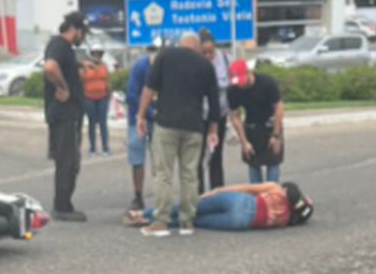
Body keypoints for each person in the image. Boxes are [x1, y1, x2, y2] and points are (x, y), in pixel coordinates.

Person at [136, 32, 220, 238]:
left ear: (181, 44)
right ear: (197, 47)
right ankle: (187, 222)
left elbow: (149, 88)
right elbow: (214, 102)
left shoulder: (165, 56)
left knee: (163, 174)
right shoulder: (206, 65)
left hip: (167, 124)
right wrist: (213, 130)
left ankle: (161, 222)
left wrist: (140, 116)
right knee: (189, 175)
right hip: (194, 127)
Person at [43, 12, 89, 222]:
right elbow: (50, 67)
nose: (84, 37)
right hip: (63, 115)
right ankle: (62, 206)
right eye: (84, 32)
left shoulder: (65, 49)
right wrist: (63, 87)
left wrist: (79, 66)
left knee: (71, 162)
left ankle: (65, 203)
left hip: (69, 115)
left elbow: (60, 65)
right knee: (66, 162)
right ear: (75, 29)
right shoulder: (58, 45)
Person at [123, 181, 313, 231]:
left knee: (188, 207)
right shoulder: (284, 220)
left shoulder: (275, 189)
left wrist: (218, 191)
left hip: (240, 201)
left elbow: (246, 188)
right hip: (241, 222)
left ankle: (143, 213)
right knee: (193, 220)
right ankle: (148, 220)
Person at [227, 59, 284, 184]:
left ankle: (272, 193)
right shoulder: (233, 90)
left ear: (248, 73)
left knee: (272, 161)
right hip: (251, 124)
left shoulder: (266, 82)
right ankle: (257, 196)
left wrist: (276, 134)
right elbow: (234, 116)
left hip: (270, 122)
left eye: (241, 81)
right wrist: (244, 141)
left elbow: (278, 107)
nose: (240, 85)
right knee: (253, 161)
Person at [125, 43, 159, 212]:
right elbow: (131, 95)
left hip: (160, 119)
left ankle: (161, 195)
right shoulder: (140, 67)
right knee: (137, 157)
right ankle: (138, 196)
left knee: (160, 158)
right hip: (137, 117)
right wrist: (149, 112)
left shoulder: (167, 68)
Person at [197, 28, 231, 194]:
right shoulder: (194, 62)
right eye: (204, 53)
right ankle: (198, 195)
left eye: (211, 52)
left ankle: (218, 193)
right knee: (197, 158)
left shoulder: (225, 59)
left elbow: (232, 86)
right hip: (199, 115)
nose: (208, 56)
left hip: (219, 115)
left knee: (216, 156)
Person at [80, 46, 111, 157]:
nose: (97, 55)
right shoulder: (86, 67)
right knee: (91, 123)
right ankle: (92, 148)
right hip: (88, 98)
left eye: (99, 53)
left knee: (103, 122)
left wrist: (109, 96)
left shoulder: (104, 66)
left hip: (102, 97)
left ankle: (105, 147)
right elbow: (80, 80)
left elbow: (107, 81)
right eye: (95, 53)